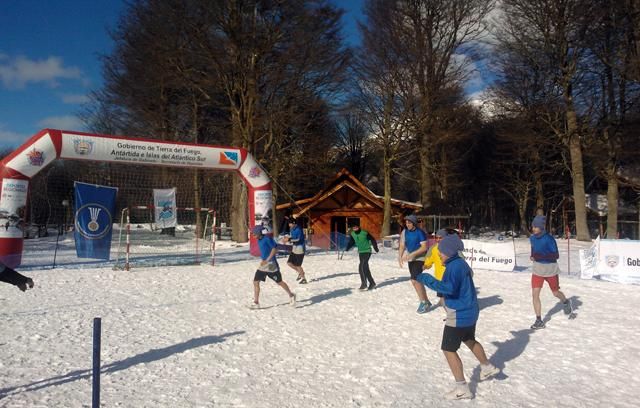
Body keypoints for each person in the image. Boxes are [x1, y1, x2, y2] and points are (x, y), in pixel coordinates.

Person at [416, 234, 499, 400]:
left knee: (448, 349)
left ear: (451, 252)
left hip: (459, 314)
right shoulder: (460, 263)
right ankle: (487, 366)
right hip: (470, 311)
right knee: (469, 339)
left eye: (442, 252)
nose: (439, 254)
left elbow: (449, 288)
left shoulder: (454, 267)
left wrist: (426, 278)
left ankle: (462, 388)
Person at [529, 214, 573, 329]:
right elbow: (534, 251)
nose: (533, 229)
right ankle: (539, 320)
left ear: (541, 228)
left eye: (535, 227)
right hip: (538, 269)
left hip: (550, 269)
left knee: (555, 293)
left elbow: (555, 255)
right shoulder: (532, 238)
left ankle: (565, 301)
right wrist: (533, 256)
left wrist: (540, 256)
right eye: (532, 226)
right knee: (535, 294)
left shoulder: (549, 239)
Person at [250, 225, 296, 309]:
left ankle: (291, 295)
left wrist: (267, 260)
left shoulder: (267, 239)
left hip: (271, 265)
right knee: (256, 282)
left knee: (279, 282)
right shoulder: (259, 239)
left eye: (254, 234)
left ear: (259, 233)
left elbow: (275, 249)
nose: (253, 236)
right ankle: (256, 302)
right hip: (263, 265)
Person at [398, 214, 432, 313]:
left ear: (414, 223)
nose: (407, 224)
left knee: (415, 280)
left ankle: (423, 302)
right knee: (416, 280)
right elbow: (402, 245)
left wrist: (413, 254)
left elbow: (424, 247)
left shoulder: (420, 233)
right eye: (406, 222)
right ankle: (426, 300)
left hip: (420, 258)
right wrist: (399, 256)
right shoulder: (405, 232)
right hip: (411, 258)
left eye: (409, 222)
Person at [344, 223, 379, 290]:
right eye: (353, 228)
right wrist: (347, 247)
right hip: (361, 252)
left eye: (356, 227)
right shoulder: (353, 234)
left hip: (367, 251)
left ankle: (364, 284)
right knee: (365, 267)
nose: (355, 229)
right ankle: (372, 283)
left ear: (359, 227)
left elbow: (373, 239)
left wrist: (375, 248)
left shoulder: (364, 233)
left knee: (361, 267)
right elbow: (352, 242)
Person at [423, 228, 448, 306]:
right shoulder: (434, 249)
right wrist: (426, 265)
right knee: (441, 294)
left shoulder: (451, 247)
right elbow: (430, 259)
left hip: (449, 275)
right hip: (439, 276)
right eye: (436, 238)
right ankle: (442, 302)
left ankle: (450, 311)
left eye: (440, 238)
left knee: (448, 295)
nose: (438, 239)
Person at [284, 217, 307, 284]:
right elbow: (293, 238)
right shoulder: (292, 229)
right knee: (289, 263)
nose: (289, 225)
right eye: (289, 223)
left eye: (290, 223)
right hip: (294, 249)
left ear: (294, 223)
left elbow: (298, 239)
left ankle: (304, 279)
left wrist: (289, 240)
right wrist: (288, 238)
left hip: (300, 249)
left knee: (298, 265)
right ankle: (300, 272)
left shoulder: (299, 229)